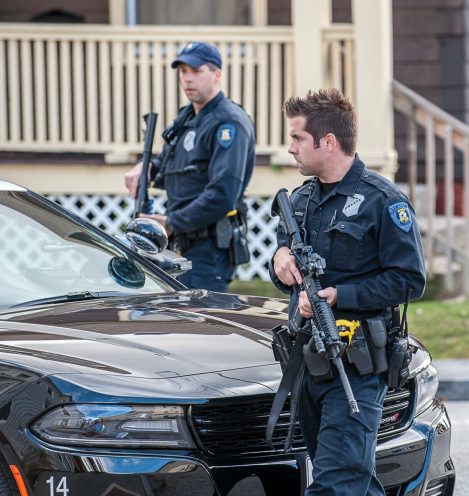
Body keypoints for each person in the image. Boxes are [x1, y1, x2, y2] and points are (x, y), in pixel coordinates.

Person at [269, 88, 426, 495]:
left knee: (337, 484)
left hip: (355, 365)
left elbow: (409, 280)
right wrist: (281, 260)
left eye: (297, 138)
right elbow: (289, 267)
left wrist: (341, 296)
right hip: (309, 360)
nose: (290, 149)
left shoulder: (383, 201)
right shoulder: (301, 201)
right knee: (351, 478)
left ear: (328, 142)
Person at [125, 41, 255, 292]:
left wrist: (173, 222)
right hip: (181, 242)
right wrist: (144, 167)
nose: (187, 79)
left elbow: (223, 194)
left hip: (209, 247)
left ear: (217, 74)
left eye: (196, 71)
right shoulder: (188, 118)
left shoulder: (229, 122)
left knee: (200, 323)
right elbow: (166, 163)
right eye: (183, 71)